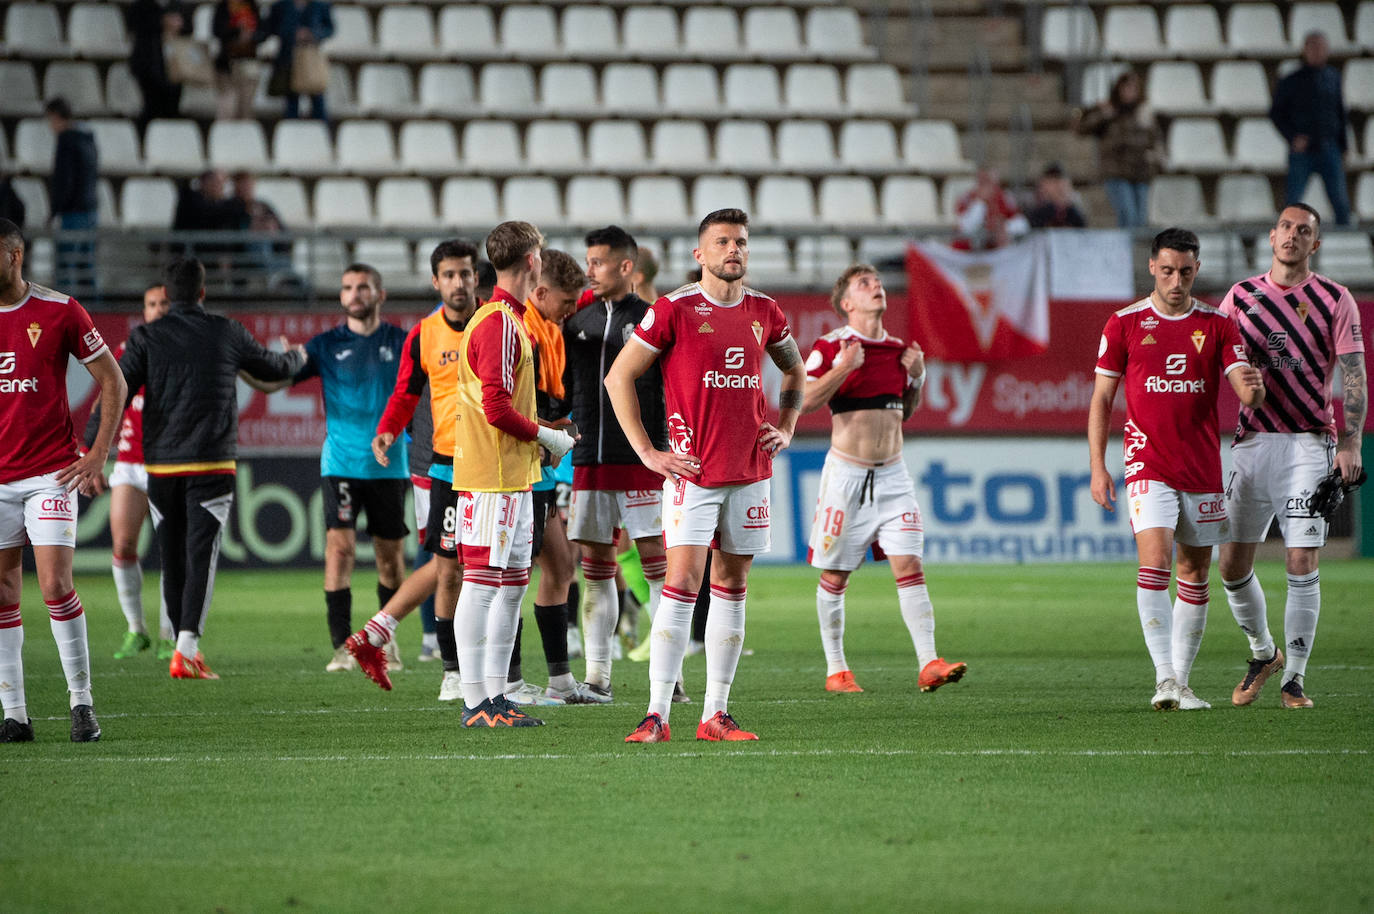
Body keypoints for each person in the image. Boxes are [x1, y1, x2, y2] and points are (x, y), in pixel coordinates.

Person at [607, 208, 807, 743]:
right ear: (700, 255)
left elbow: (793, 369)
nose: (733, 250)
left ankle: (715, 713)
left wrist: (785, 425)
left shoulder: (766, 311)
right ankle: (656, 714)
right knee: (680, 585)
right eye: (721, 242)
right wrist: (649, 452)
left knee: (733, 585)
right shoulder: (675, 309)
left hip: (750, 471)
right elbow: (619, 376)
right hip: (692, 472)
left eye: (740, 241)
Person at [1088, 228, 1265, 711]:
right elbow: (1102, 398)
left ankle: (1181, 684)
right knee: (1156, 562)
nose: (1176, 280)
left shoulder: (1218, 325)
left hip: (1202, 465)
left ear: (1197, 270)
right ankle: (1164, 678)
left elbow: (1241, 384)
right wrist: (1098, 467)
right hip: (1147, 461)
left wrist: (1254, 391)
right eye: (1167, 270)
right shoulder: (1123, 323)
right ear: (1151, 267)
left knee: (1194, 572)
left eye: (1185, 272)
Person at [119, 256, 304, 679]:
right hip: (212, 462)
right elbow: (272, 368)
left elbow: (119, 389)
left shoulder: (145, 337)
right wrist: (294, 358)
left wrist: (93, 443)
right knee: (200, 553)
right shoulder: (226, 331)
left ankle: (178, 645)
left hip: (162, 465)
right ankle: (186, 650)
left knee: (171, 555)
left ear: (166, 296)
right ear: (203, 292)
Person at [1217, 204, 1366, 709]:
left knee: (1301, 559)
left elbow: (1353, 375)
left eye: (1304, 231)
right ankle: (1264, 652)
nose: (1292, 236)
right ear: (1272, 235)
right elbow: (1218, 358)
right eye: (1285, 227)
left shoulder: (1335, 298)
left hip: (1307, 442)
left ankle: (1294, 680)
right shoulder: (1240, 296)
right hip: (1253, 443)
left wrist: (1351, 442)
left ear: (1314, 245)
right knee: (1231, 566)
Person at [802, 264, 968, 695]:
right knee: (836, 576)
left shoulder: (898, 350)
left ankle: (929, 663)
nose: (876, 287)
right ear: (847, 303)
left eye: (877, 282)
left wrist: (917, 378)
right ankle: (837, 670)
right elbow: (802, 400)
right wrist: (843, 369)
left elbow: (903, 411)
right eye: (864, 284)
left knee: (910, 565)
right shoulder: (831, 346)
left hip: (894, 476)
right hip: (847, 478)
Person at [249, 265, 410, 673]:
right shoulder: (325, 345)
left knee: (389, 558)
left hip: (389, 464)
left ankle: (384, 640)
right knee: (339, 551)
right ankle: (342, 647)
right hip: (340, 462)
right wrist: (243, 364)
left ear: (380, 294)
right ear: (341, 297)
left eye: (363, 287)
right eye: (347, 288)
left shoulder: (403, 342)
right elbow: (274, 383)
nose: (354, 294)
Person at [0, 217, 125, 743]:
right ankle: (14, 715)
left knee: (54, 584)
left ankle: (81, 703)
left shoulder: (59, 310)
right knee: (3, 593)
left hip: (52, 471)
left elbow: (113, 380)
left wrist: (98, 452)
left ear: (14, 256)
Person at [448, 220, 575, 728]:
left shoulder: (510, 319)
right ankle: (476, 701)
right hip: (490, 477)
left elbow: (501, 405)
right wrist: (545, 437)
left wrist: (547, 431)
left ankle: (496, 696)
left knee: (512, 584)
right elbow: (497, 410)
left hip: (512, 475)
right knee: (481, 585)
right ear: (532, 262)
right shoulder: (499, 322)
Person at [350, 240, 480, 701]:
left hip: (492, 465)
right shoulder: (424, 334)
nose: (458, 283)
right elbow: (407, 392)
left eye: (465, 274)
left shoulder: (497, 326)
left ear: (476, 277)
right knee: (451, 567)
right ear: (435, 281)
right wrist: (388, 430)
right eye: (449, 275)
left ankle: (379, 630)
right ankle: (452, 671)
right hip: (443, 465)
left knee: (479, 566)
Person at [562, 226, 670, 703]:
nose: (590, 270)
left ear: (626, 267)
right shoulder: (576, 320)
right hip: (588, 460)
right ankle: (599, 679)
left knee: (657, 569)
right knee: (596, 570)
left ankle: (672, 680)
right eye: (588, 262)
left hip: (642, 459)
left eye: (599, 262)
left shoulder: (653, 319)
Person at [509, 247, 591, 705]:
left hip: (541, 468)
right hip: (523, 470)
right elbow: (522, 403)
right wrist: (553, 429)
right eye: (565, 301)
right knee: (514, 577)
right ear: (540, 292)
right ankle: (509, 682)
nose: (571, 310)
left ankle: (560, 680)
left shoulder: (551, 330)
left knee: (559, 567)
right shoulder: (525, 332)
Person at [86, 283, 175, 660]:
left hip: (170, 462)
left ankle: (171, 635)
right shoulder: (130, 349)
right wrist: (91, 453)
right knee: (123, 546)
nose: (158, 309)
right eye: (151, 303)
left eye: (165, 303)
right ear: (144, 309)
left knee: (173, 552)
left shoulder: (183, 352)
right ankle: (136, 629)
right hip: (130, 461)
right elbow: (107, 398)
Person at [1271, 32, 1352, 226]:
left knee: (1341, 203)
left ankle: (1346, 245)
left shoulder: (1333, 77)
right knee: (1293, 203)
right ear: (1305, 50)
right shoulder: (1291, 80)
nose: (1318, 52)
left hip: (1328, 147)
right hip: (1303, 150)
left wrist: (1343, 146)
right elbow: (1276, 113)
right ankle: (1288, 246)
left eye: (1321, 47)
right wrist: (1292, 137)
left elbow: (1340, 112)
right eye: (1313, 47)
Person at [1074, 71, 1159, 229]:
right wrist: (1104, 115)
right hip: (1117, 172)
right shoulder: (1109, 111)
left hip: (1140, 172)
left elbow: (1154, 140)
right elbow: (1081, 128)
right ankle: (1124, 251)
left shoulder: (1143, 114)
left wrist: (1154, 159)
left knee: (1141, 220)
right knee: (1128, 215)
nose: (1129, 92)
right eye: (1126, 88)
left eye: (1133, 88)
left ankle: (1136, 252)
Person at [45, 98, 99, 296]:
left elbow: (64, 181)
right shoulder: (88, 138)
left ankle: (64, 315)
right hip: (90, 209)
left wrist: (54, 211)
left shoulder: (66, 140)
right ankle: (95, 314)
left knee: (65, 267)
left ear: (56, 117)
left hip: (72, 213)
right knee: (87, 266)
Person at [260, 0, 335, 122]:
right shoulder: (280, 6)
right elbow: (271, 28)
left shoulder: (319, 6)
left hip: (311, 59)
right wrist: (291, 33)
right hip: (288, 59)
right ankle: (292, 136)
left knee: (318, 99)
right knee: (291, 102)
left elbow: (329, 29)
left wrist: (312, 34)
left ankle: (321, 135)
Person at [126, 0, 191, 131]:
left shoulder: (176, 4)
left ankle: (168, 140)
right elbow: (136, 25)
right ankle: (146, 139)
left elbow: (188, 26)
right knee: (151, 106)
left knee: (172, 107)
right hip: (148, 64)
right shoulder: (142, 5)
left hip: (173, 63)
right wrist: (163, 21)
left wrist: (179, 24)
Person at [952, 167, 1029, 251]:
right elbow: (964, 228)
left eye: (989, 182)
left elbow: (1022, 224)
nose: (987, 187)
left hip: (996, 251)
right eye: (983, 182)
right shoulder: (967, 198)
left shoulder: (1004, 197)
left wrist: (1004, 227)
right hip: (970, 251)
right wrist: (980, 203)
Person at [212, 0, 262, 120]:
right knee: (227, 108)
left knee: (246, 108)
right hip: (227, 64)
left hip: (248, 62)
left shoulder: (252, 6)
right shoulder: (223, 7)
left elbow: (263, 31)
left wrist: (251, 35)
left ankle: (244, 138)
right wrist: (237, 30)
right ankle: (223, 137)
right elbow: (217, 31)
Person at [1025, 163, 1088, 229]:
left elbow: (1082, 226)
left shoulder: (1072, 204)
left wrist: (1067, 206)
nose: (1060, 188)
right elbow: (1031, 225)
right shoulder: (1032, 202)